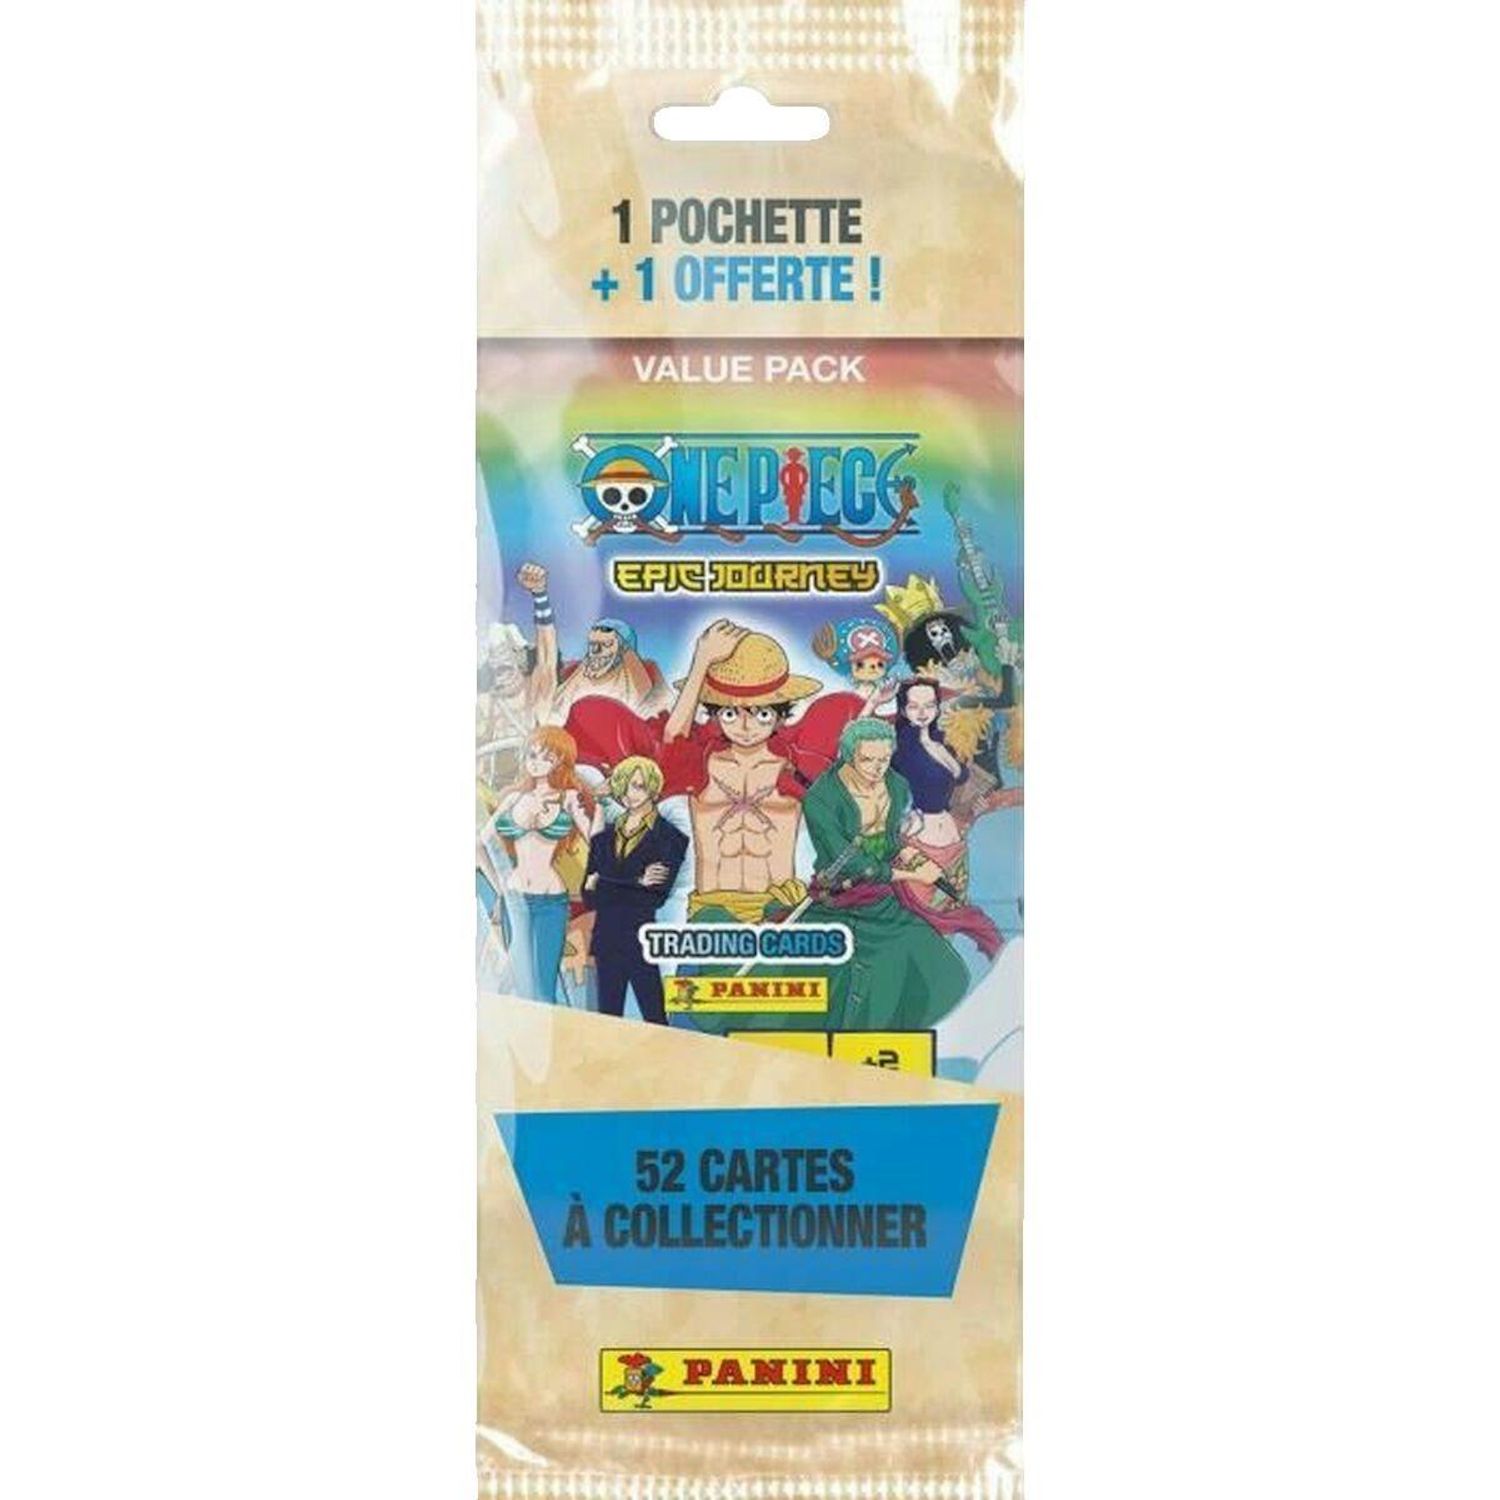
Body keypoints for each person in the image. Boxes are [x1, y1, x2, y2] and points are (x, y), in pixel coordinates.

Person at [789, 718, 981, 1030]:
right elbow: (848, 860)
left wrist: (911, 856)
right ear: (849, 755)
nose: (877, 768)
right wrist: (911, 875)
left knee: (946, 972)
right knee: (833, 985)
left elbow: (890, 841)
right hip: (836, 900)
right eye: (867, 760)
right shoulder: (822, 797)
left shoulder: (896, 785)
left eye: (884, 759)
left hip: (880, 902)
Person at [478, 726, 597, 1003]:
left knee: (543, 985)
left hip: (550, 900)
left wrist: (596, 872)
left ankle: (546, 1030)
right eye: (531, 754)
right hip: (515, 899)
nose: (536, 762)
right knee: (522, 983)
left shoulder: (567, 798)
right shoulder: (514, 799)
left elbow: (597, 841)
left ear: (560, 760)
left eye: (545, 756)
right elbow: (481, 843)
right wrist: (500, 887)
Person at [582, 756, 688, 1024]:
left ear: (653, 788)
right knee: (608, 1023)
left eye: (638, 786)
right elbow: (589, 895)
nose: (630, 794)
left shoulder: (671, 838)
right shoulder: (604, 837)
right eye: (624, 786)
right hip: (606, 940)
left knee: (656, 1020)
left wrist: (604, 881)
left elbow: (655, 896)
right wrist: (637, 881)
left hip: (641, 941)